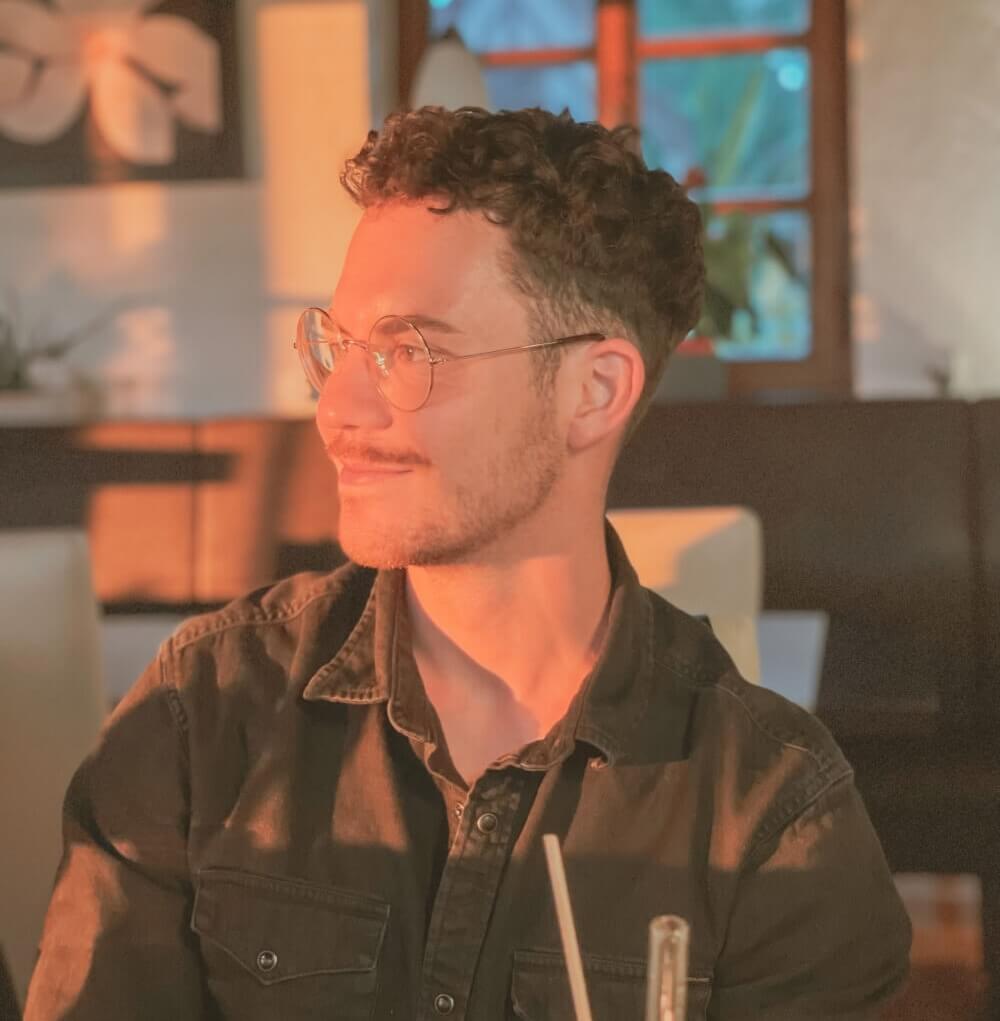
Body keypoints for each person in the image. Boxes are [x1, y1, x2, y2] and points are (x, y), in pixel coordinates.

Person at [26, 106, 910, 1020]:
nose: (338, 411)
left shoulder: (770, 814)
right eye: (338, 348)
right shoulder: (202, 713)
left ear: (594, 392)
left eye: (409, 351)